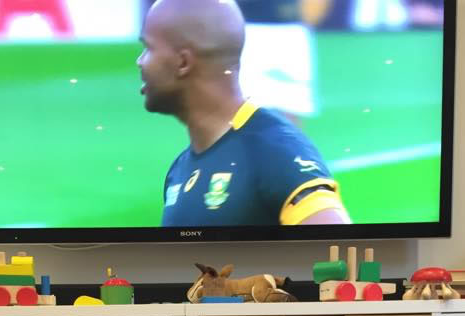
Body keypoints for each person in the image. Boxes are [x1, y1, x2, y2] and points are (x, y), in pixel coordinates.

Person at [137, 0, 351, 227]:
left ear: (183, 62)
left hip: (283, 26)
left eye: (148, 49)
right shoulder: (180, 169)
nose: (139, 61)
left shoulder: (275, 153)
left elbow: (343, 254)